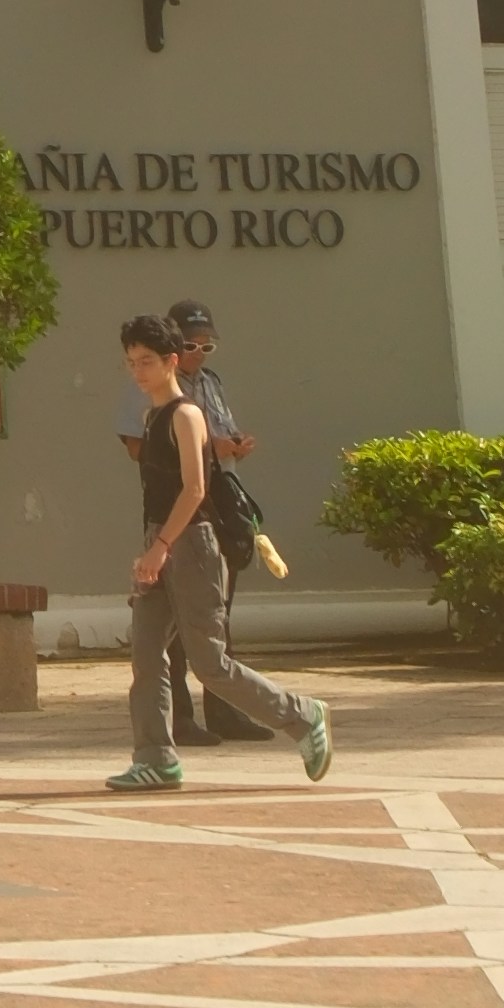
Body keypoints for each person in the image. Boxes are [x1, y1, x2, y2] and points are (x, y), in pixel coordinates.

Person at [112, 313, 333, 791]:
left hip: (191, 544)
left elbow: (194, 490)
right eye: (131, 362)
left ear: (172, 361)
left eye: (146, 361)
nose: (137, 371)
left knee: (210, 664)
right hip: (162, 541)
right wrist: (151, 550)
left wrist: (162, 548)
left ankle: (303, 716)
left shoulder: (187, 415)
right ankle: (156, 758)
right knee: (147, 657)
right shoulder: (151, 417)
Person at [167, 298, 287, 740]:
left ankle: (225, 711)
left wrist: (233, 444)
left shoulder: (210, 383)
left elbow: (221, 430)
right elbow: (144, 447)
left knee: (219, 611)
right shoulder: (164, 387)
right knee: (180, 617)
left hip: (223, 498)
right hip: (186, 505)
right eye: (190, 345)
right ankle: (177, 717)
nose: (198, 355)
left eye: (206, 347)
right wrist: (207, 449)